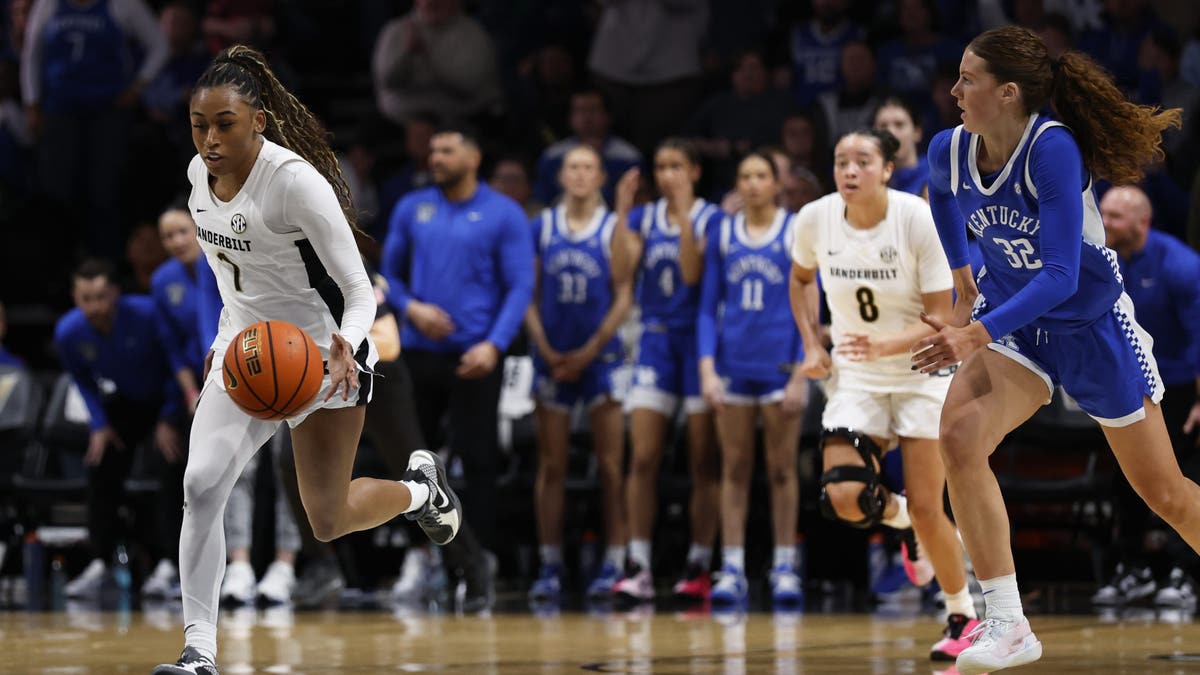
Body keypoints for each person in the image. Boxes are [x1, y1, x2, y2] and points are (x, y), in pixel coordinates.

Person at [152, 45, 461, 675]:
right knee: (201, 483)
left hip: (323, 357)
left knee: (328, 518)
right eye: (199, 124)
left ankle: (418, 492)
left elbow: (358, 289)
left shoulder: (294, 183)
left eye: (225, 124)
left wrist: (347, 342)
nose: (209, 139)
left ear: (258, 120)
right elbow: (226, 270)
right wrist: (225, 329)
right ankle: (199, 652)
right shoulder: (194, 177)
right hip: (250, 354)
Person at [914, 26, 1187, 674]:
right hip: (1017, 326)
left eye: (969, 79)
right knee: (957, 437)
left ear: (1008, 92)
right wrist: (961, 278)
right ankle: (1006, 620)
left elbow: (1062, 274)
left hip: (1091, 325)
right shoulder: (950, 150)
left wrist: (972, 329)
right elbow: (941, 195)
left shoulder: (1051, 149)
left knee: (1166, 494)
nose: (954, 90)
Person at [789, 129, 978, 660]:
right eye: (841, 160)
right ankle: (903, 525)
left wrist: (886, 342)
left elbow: (944, 316)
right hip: (857, 374)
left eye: (863, 161)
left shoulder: (916, 219)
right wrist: (811, 341)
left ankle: (960, 612)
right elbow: (801, 279)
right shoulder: (815, 218)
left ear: (888, 169)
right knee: (843, 498)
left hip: (920, 370)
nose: (850, 170)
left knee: (928, 503)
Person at [381, 124, 535, 609]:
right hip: (417, 354)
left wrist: (495, 345)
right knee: (412, 463)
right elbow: (389, 277)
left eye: (447, 149)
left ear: (474, 155)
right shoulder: (411, 207)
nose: (436, 157)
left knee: (479, 461)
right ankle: (418, 558)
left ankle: (480, 559)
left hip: (474, 357)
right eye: (433, 150)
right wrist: (414, 310)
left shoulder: (504, 213)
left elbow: (519, 287)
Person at [610, 138, 723, 604]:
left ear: (694, 171)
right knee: (642, 457)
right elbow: (621, 271)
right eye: (660, 165)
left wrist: (680, 216)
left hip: (698, 342)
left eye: (676, 165)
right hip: (655, 340)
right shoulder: (642, 217)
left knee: (703, 460)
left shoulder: (711, 218)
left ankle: (698, 563)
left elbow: (693, 275)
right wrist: (619, 212)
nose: (667, 174)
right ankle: (637, 564)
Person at [696, 151, 806, 606]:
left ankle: (784, 564)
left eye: (762, 175)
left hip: (780, 367)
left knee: (782, 470)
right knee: (734, 470)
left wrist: (802, 371)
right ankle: (733, 566)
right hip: (733, 367)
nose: (754, 183)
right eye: (745, 176)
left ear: (777, 182)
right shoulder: (722, 232)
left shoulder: (795, 228)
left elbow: (810, 306)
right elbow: (706, 306)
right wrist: (706, 367)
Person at [526, 145, 633, 603]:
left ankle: (615, 558)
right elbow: (527, 294)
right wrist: (547, 349)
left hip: (602, 359)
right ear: (562, 176)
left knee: (611, 466)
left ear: (601, 176)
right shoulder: (542, 226)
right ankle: (550, 564)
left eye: (589, 167)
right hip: (552, 355)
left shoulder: (613, 227)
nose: (581, 174)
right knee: (552, 466)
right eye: (573, 167)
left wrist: (589, 351)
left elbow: (625, 295)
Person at [1095, 185, 1200, 609]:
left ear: (1142, 222)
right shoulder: (1100, 261)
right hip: (1130, 385)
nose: (1104, 223)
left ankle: (1184, 571)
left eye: (1115, 217)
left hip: (1179, 387)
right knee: (1126, 478)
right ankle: (1131, 569)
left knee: (1183, 475)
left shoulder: (1180, 265)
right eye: (1101, 213)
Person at [54, 259, 184, 600]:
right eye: (86, 298)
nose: (94, 306)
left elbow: (176, 363)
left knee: (168, 463)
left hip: (166, 400)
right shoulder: (68, 332)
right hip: (125, 403)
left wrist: (169, 418)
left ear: (114, 292)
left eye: (100, 296)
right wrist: (99, 423)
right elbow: (82, 380)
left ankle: (170, 563)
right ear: (75, 297)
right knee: (100, 460)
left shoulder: (146, 313)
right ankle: (99, 562)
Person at [873, 97, 929, 198]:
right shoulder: (869, 179)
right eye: (883, 126)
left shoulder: (936, 176)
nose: (891, 133)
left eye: (899, 125)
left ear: (917, 132)